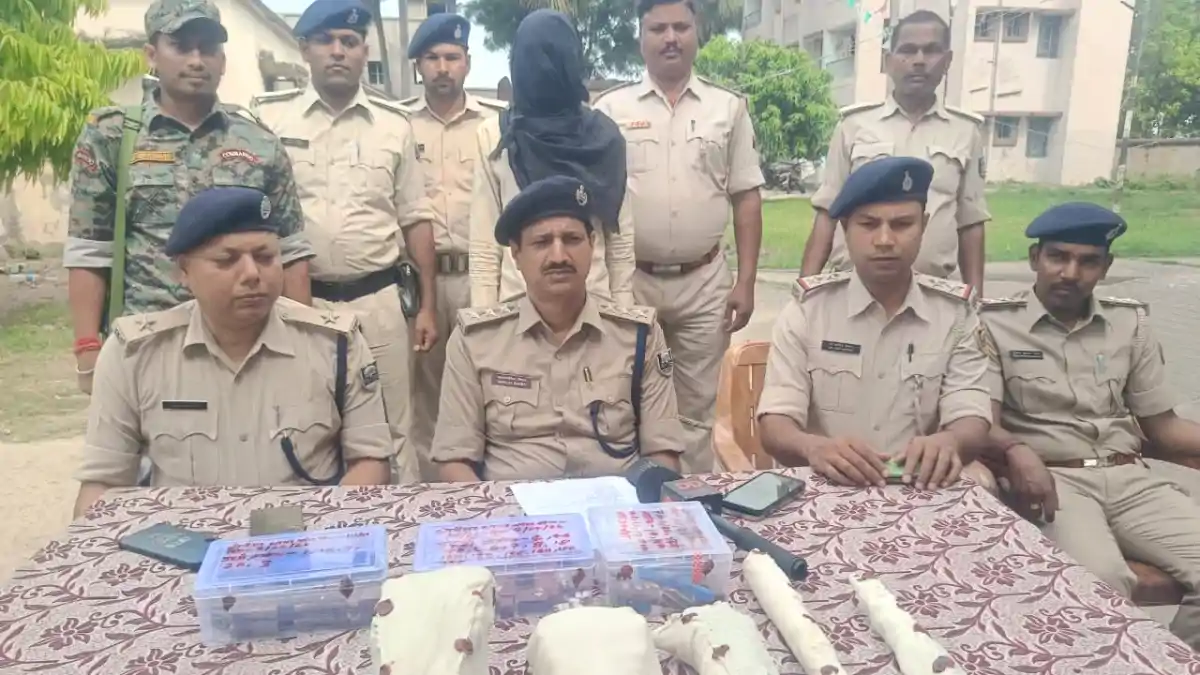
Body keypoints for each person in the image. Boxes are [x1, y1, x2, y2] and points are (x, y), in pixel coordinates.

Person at [73, 187, 393, 518]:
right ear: (182, 272)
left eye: (265, 257)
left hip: (304, 536)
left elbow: (371, 462)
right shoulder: (134, 354)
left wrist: (322, 526)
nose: (252, 274)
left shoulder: (336, 345)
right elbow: (103, 483)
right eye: (227, 260)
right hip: (184, 538)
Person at [978, 202, 1200, 649]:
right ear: (1034, 258)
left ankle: (1167, 660)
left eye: (1087, 261)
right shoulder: (993, 324)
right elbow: (981, 423)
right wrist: (1017, 453)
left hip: (1130, 480)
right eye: (1058, 257)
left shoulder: (1128, 323)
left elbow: (1164, 428)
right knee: (1100, 582)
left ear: (1106, 267)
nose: (1070, 272)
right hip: (1054, 482)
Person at [65, 0, 313, 394]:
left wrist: (304, 342)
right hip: (148, 343)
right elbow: (89, 250)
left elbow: (291, 251)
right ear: (152, 55)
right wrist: (87, 347)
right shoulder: (112, 136)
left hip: (246, 345)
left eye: (208, 48)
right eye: (181, 47)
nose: (197, 60)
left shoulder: (259, 141)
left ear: (222, 61)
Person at [250, 0, 440, 484]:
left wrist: (428, 307)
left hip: (379, 303)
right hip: (300, 302)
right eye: (326, 40)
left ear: (364, 52)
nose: (338, 51)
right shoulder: (270, 122)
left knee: (394, 428)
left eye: (350, 42)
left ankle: (401, 523)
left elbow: (416, 219)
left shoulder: (394, 126)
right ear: (304, 49)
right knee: (306, 423)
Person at [592, 0, 764, 473]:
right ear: (641, 38)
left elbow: (746, 197)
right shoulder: (610, 110)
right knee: (621, 399)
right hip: (631, 281)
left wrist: (747, 280)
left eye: (680, 27)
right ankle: (630, 500)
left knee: (694, 410)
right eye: (658, 28)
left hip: (704, 282)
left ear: (697, 32)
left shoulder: (727, 109)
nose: (670, 38)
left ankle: (690, 501)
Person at [757, 157, 992, 491]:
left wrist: (951, 441)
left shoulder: (956, 315)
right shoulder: (808, 311)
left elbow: (971, 414)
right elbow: (775, 423)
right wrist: (814, 448)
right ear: (845, 229)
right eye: (868, 225)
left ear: (924, 226)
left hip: (922, 485)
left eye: (901, 224)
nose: (884, 240)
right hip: (828, 486)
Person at [433, 176, 684, 482]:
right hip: (511, 507)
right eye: (541, 243)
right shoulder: (476, 341)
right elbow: (454, 460)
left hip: (616, 506)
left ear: (592, 244)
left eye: (572, 239)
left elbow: (663, 453)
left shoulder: (639, 336)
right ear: (516, 254)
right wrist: (494, 511)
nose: (559, 256)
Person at [800, 10, 989, 295]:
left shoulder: (966, 132)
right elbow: (828, 211)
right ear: (889, 61)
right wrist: (804, 291)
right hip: (853, 289)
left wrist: (976, 301)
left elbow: (970, 222)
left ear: (948, 61)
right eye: (908, 50)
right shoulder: (854, 126)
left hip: (931, 293)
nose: (919, 60)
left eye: (931, 50)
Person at [468, 9, 636, 308]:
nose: (544, 69)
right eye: (534, 58)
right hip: (517, 310)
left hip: (594, 308)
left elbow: (620, 243)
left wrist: (625, 318)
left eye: (554, 57)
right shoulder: (495, 136)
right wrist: (484, 323)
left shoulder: (605, 137)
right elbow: (485, 246)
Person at [400, 13, 506, 479]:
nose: (442, 67)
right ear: (418, 66)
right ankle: (431, 495)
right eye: (432, 58)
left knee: (486, 383)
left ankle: (480, 488)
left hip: (478, 278)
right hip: (417, 284)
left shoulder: (496, 124)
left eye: (452, 57)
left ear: (468, 63)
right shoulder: (399, 125)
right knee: (423, 398)